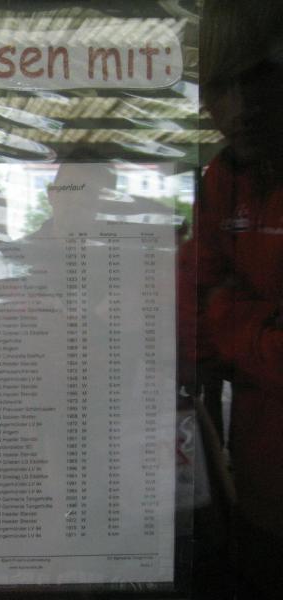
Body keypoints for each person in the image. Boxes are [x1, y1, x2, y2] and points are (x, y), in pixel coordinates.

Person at [192, 1, 283, 597]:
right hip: (259, 498)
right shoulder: (224, 179)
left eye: (262, 77)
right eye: (221, 86)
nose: (240, 107)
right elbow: (191, 314)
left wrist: (229, 314)